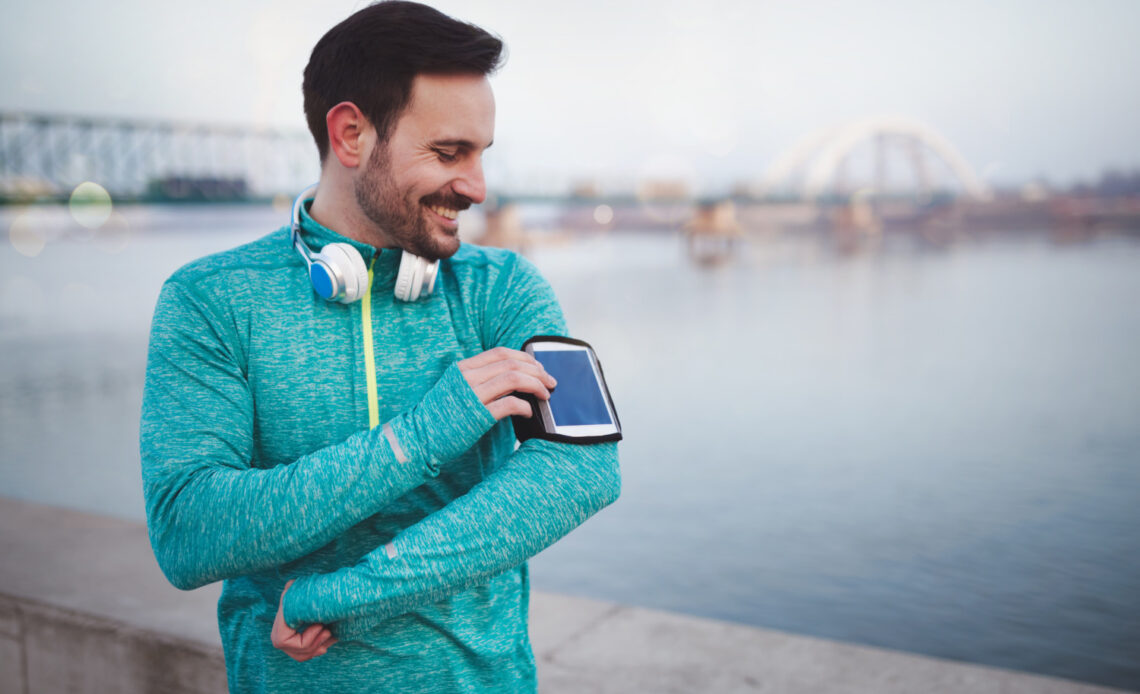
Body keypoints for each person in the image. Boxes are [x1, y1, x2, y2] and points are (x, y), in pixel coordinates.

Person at [139, 2, 621, 691]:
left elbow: (584, 470)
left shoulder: (505, 287)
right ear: (351, 134)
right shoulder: (210, 301)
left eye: (482, 154)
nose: (477, 187)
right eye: (448, 152)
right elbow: (189, 534)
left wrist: (341, 594)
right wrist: (423, 434)